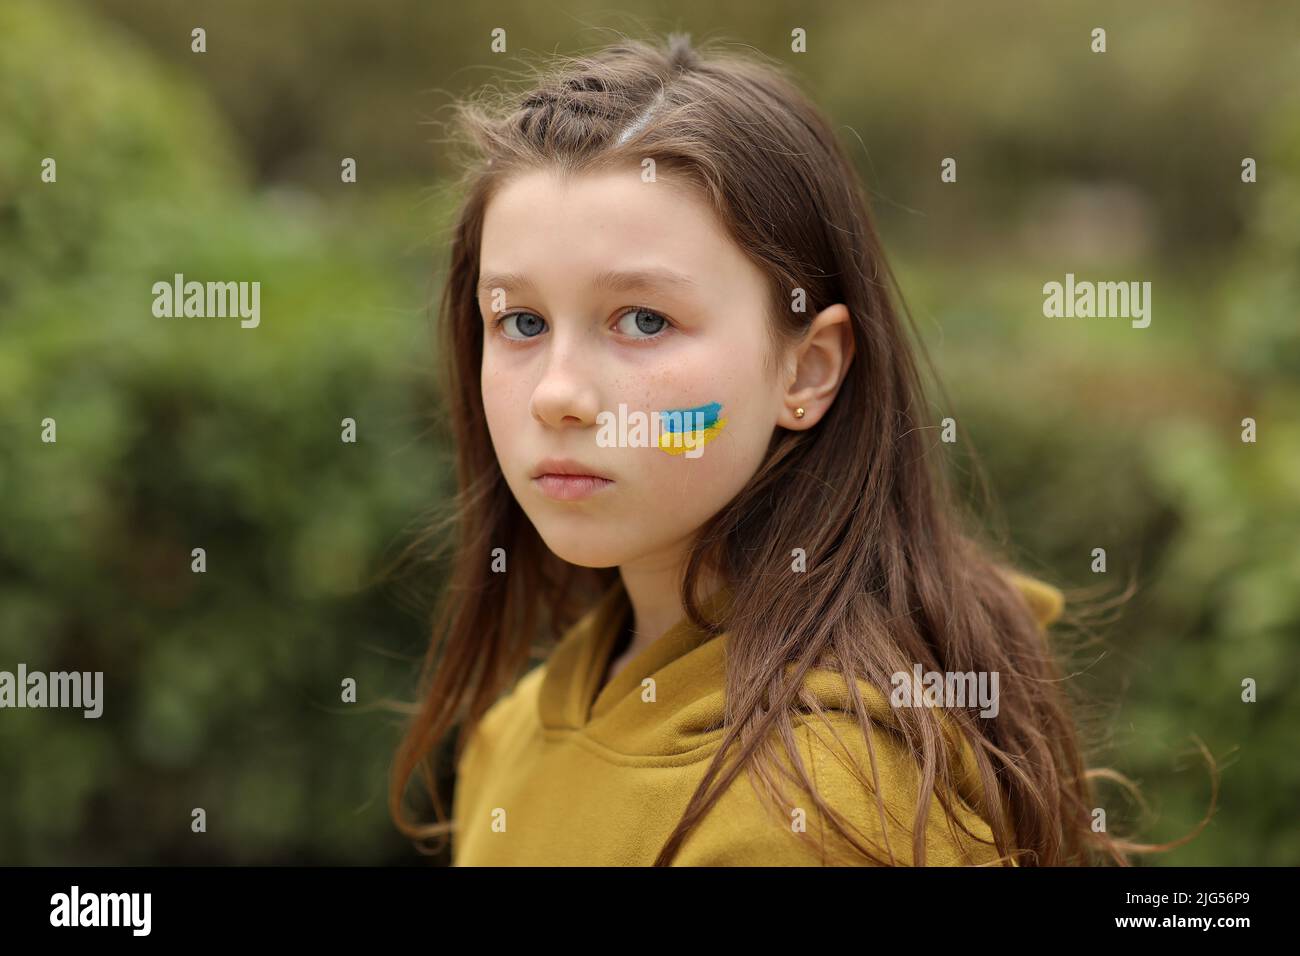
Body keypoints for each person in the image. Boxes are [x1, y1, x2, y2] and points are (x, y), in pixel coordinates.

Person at [388, 33, 1185, 866]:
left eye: (645, 320)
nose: (557, 394)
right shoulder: (517, 729)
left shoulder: (815, 814)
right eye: (519, 322)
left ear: (807, 369)